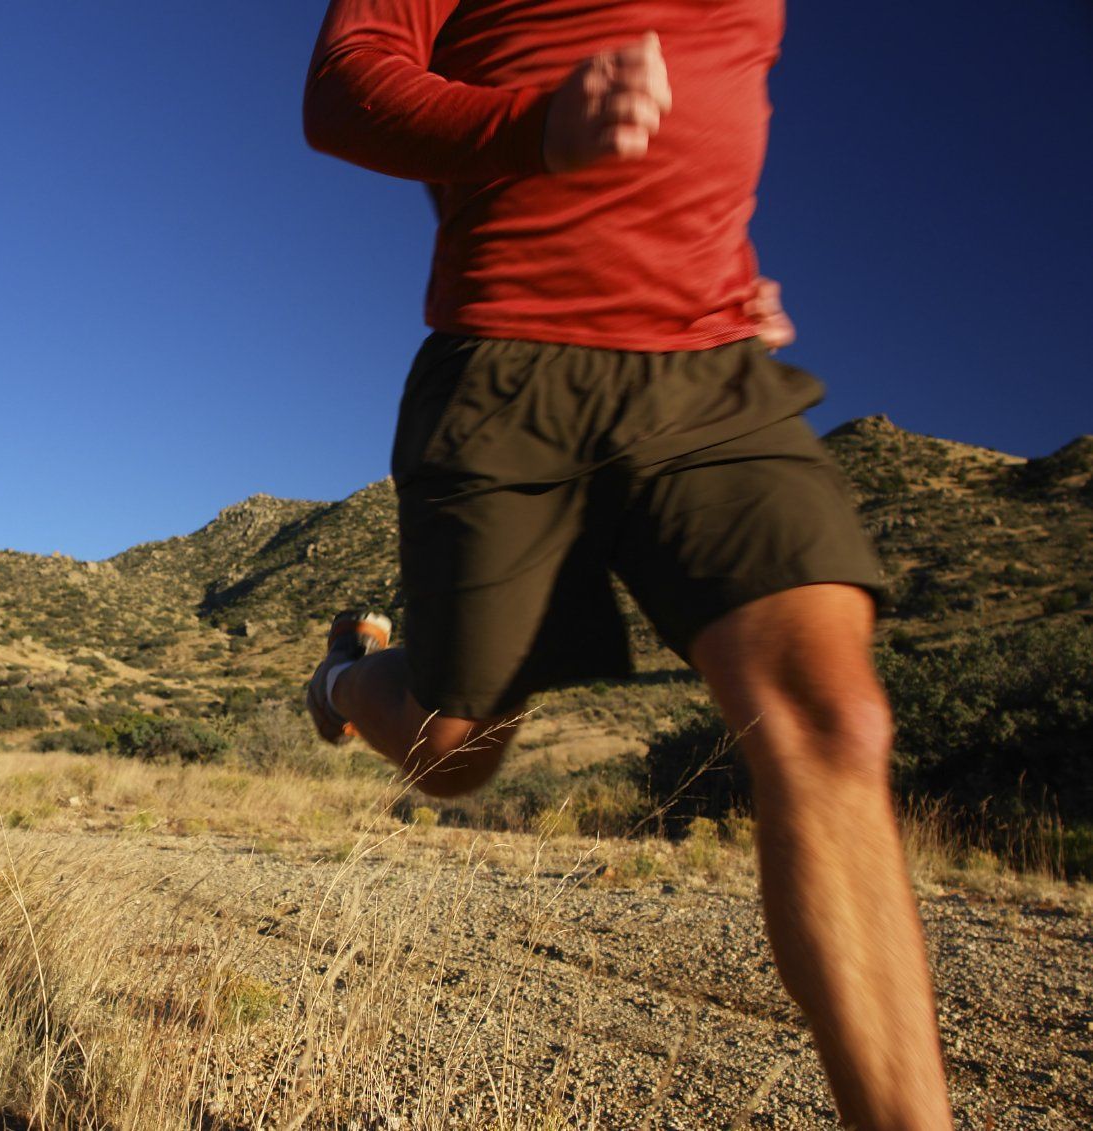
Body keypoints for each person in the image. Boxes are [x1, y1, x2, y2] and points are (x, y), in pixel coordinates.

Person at [300, 2, 952, 1126]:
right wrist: (534, 125)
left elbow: (716, 98)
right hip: (508, 362)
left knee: (834, 719)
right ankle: (348, 678)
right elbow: (345, 84)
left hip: (708, 369)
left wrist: (732, 260)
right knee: (456, 752)